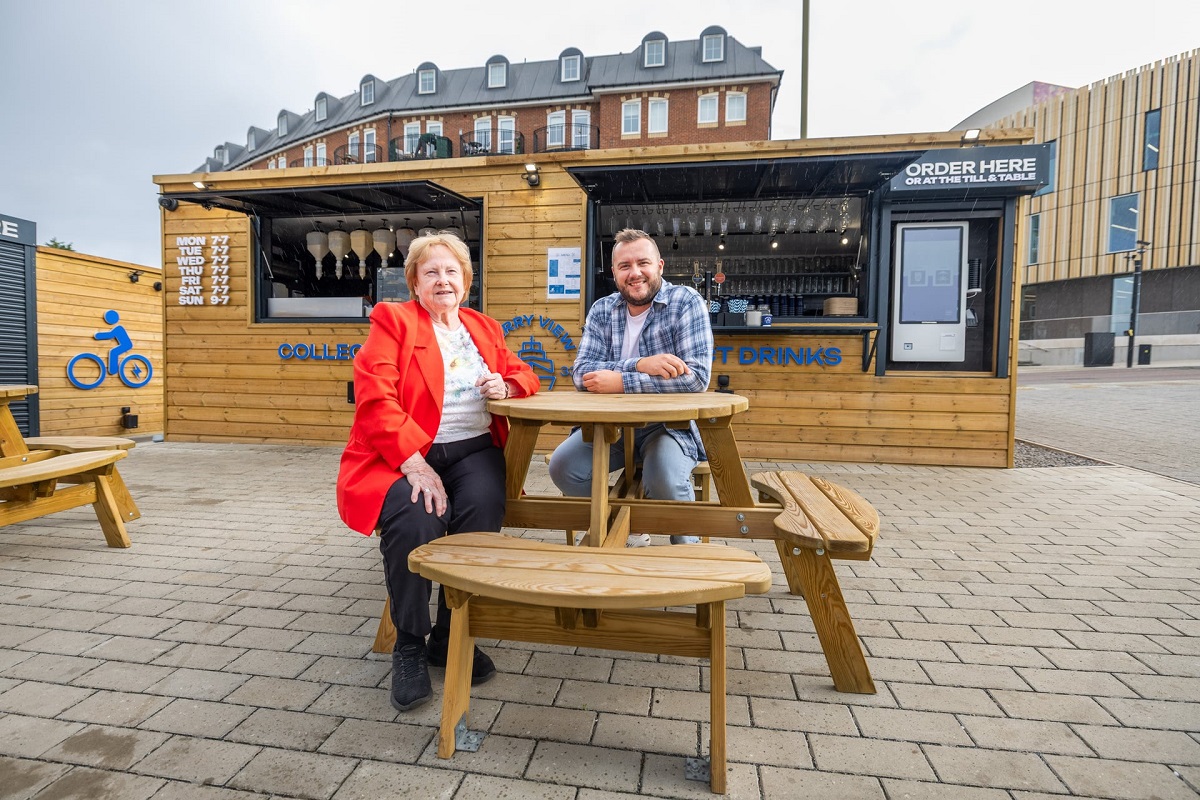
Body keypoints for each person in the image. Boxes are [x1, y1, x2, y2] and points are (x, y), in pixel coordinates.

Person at [336, 232, 540, 713]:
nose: (443, 281)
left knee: (484, 506)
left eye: (452, 272)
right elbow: (374, 396)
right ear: (414, 282)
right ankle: (410, 641)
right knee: (416, 517)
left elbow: (527, 375)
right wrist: (413, 462)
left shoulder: (484, 327)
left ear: (466, 281)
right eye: (432, 272)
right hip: (406, 453)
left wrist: (506, 384)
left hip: (473, 449)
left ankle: (450, 634)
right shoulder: (394, 321)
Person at [548, 229, 713, 544]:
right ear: (614, 273)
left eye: (643, 263)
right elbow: (582, 374)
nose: (635, 273)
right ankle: (623, 526)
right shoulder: (602, 309)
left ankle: (688, 563)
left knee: (664, 479)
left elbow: (696, 377)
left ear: (660, 266)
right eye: (625, 266)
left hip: (667, 426)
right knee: (563, 468)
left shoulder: (685, 301)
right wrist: (639, 364)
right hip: (609, 428)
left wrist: (620, 381)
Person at [94, 310, 133, 376]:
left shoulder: (118, 328)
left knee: (113, 352)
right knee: (113, 351)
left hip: (126, 345)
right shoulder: (118, 327)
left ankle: (113, 370)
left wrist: (98, 335)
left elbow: (110, 335)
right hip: (125, 345)